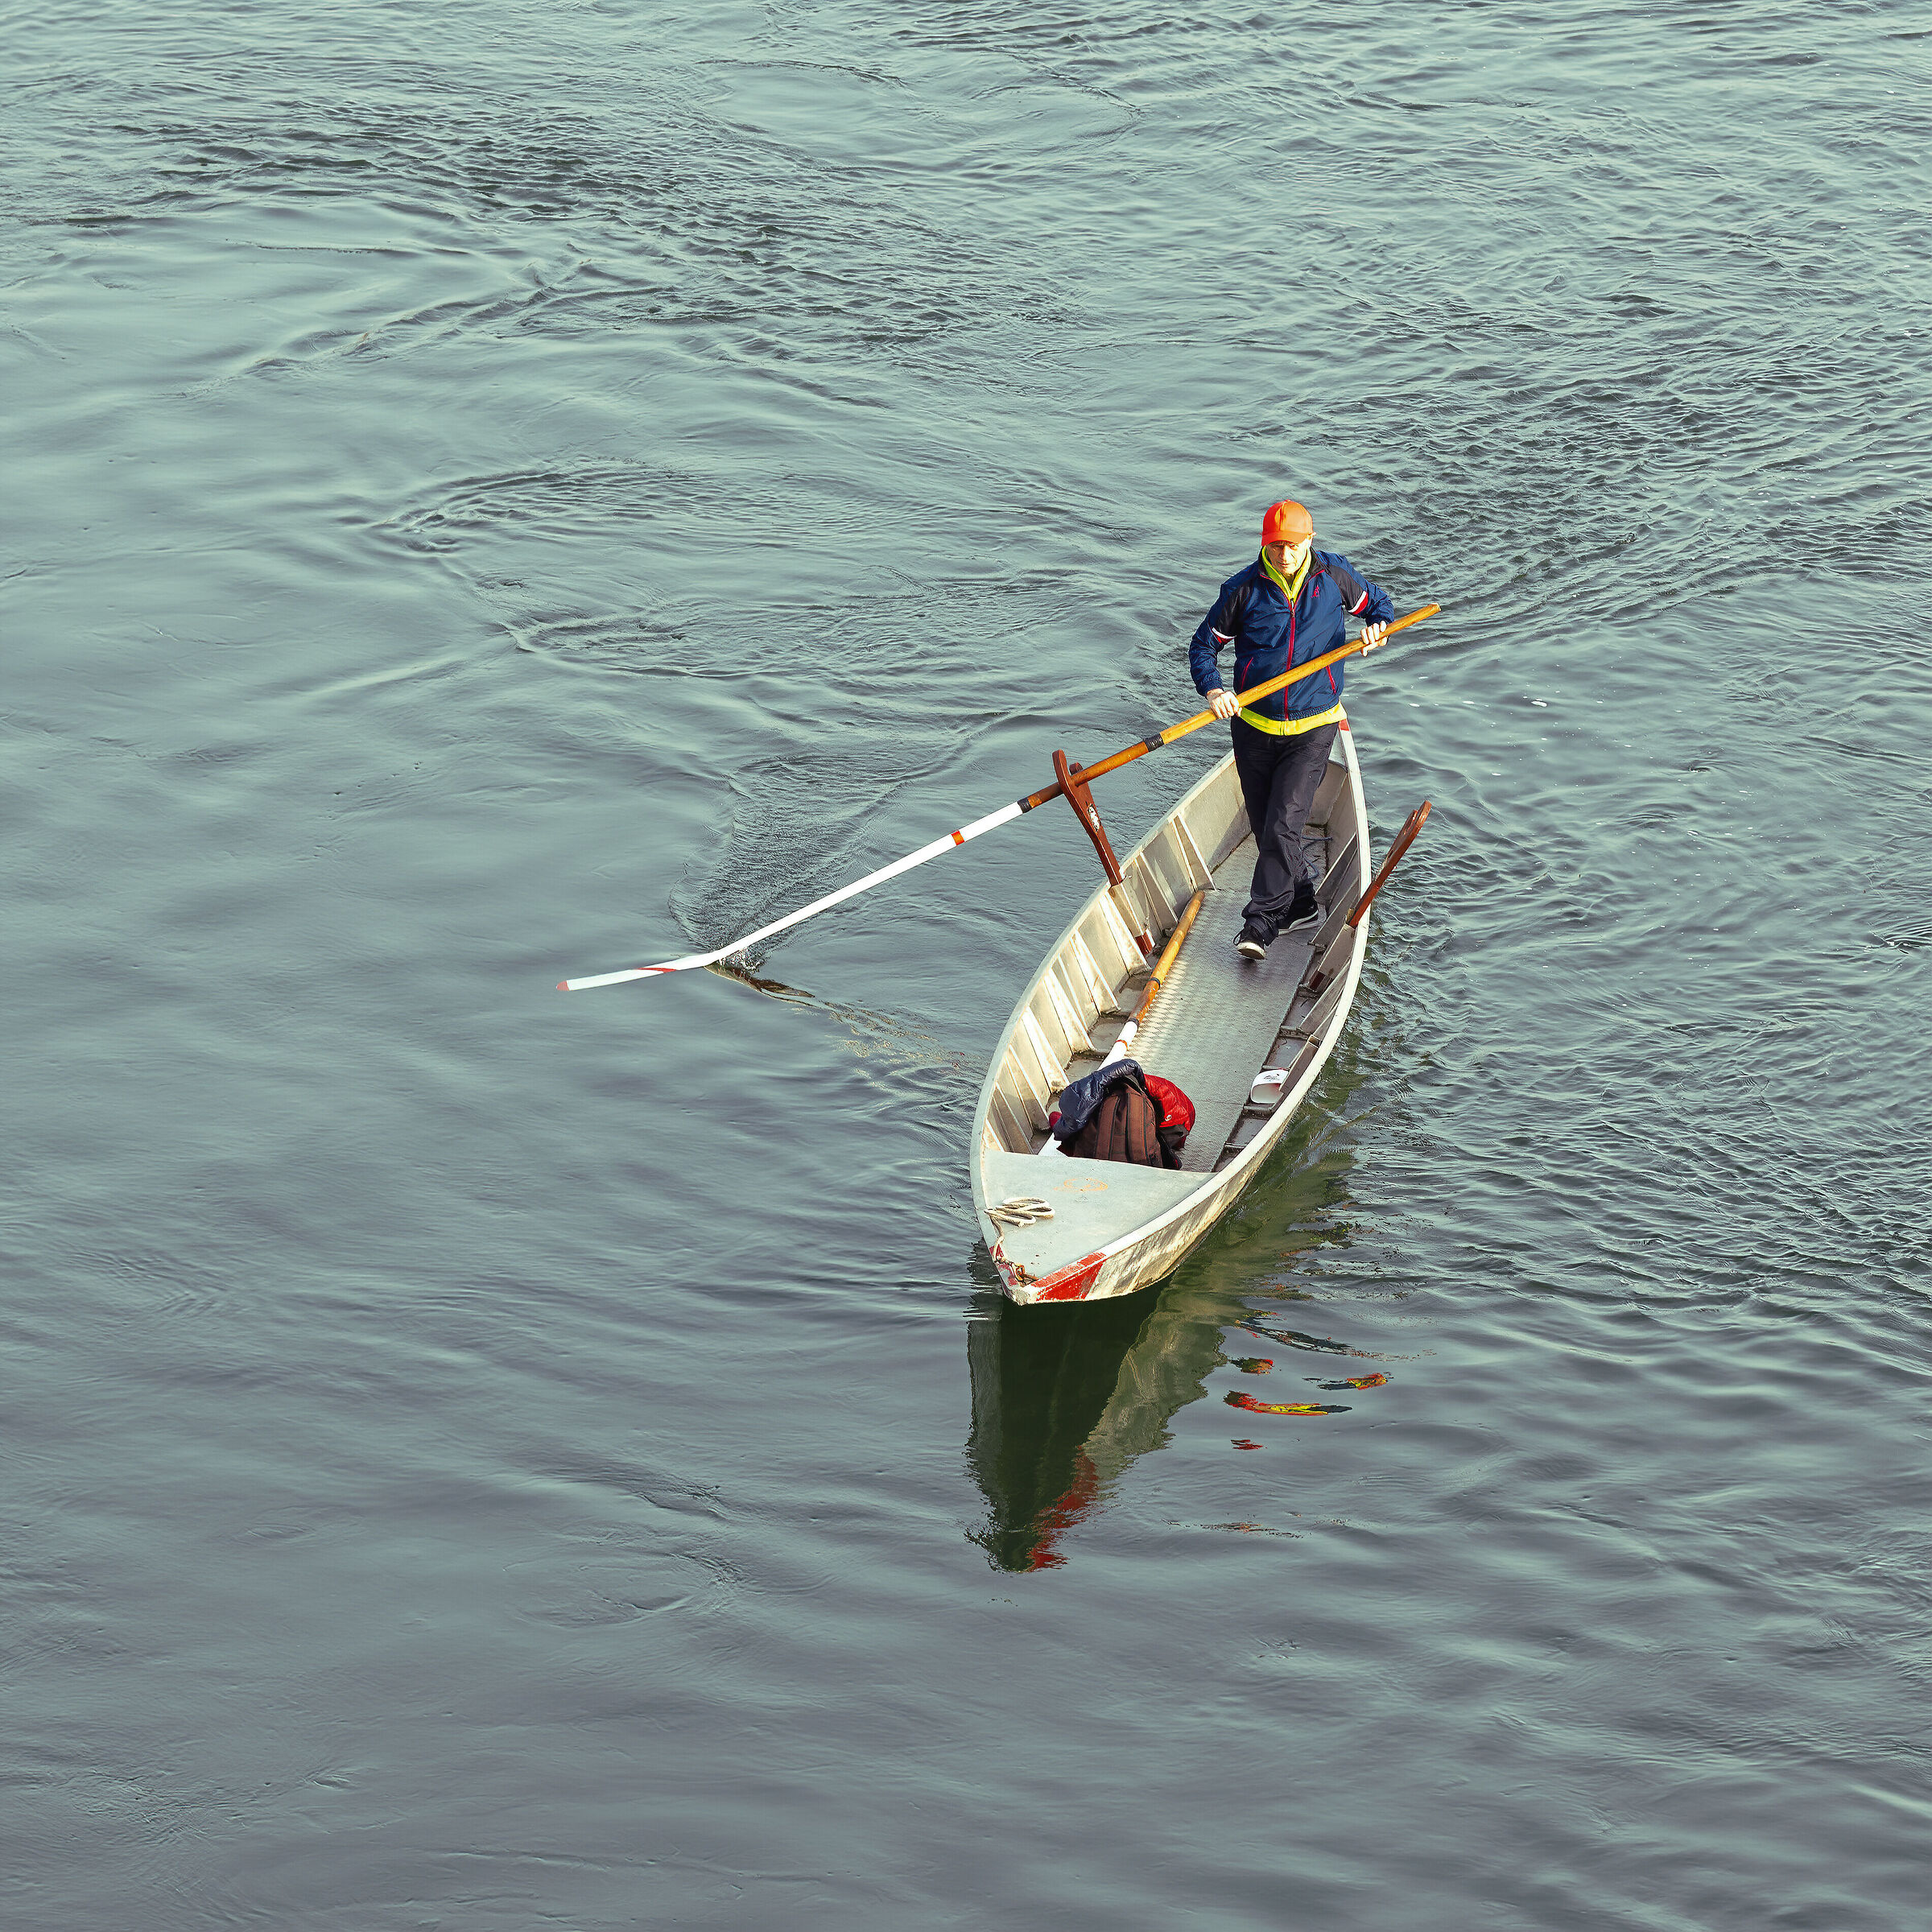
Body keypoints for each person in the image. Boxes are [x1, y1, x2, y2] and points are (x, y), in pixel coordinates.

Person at [1188, 499, 1395, 959]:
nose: (1284, 554)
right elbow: (1203, 647)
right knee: (1267, 829)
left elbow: (1381, 607)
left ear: (1310, 541)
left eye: (1293, 545)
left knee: (1284, 821)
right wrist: (1214, 691)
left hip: (1313, 725)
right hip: (1254, 726)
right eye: (1276, 545)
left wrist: (1375, 629)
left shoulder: (1335, 578)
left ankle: (1260, 921)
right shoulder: (1243, 590)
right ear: (1265, 544)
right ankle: (1301, 899)